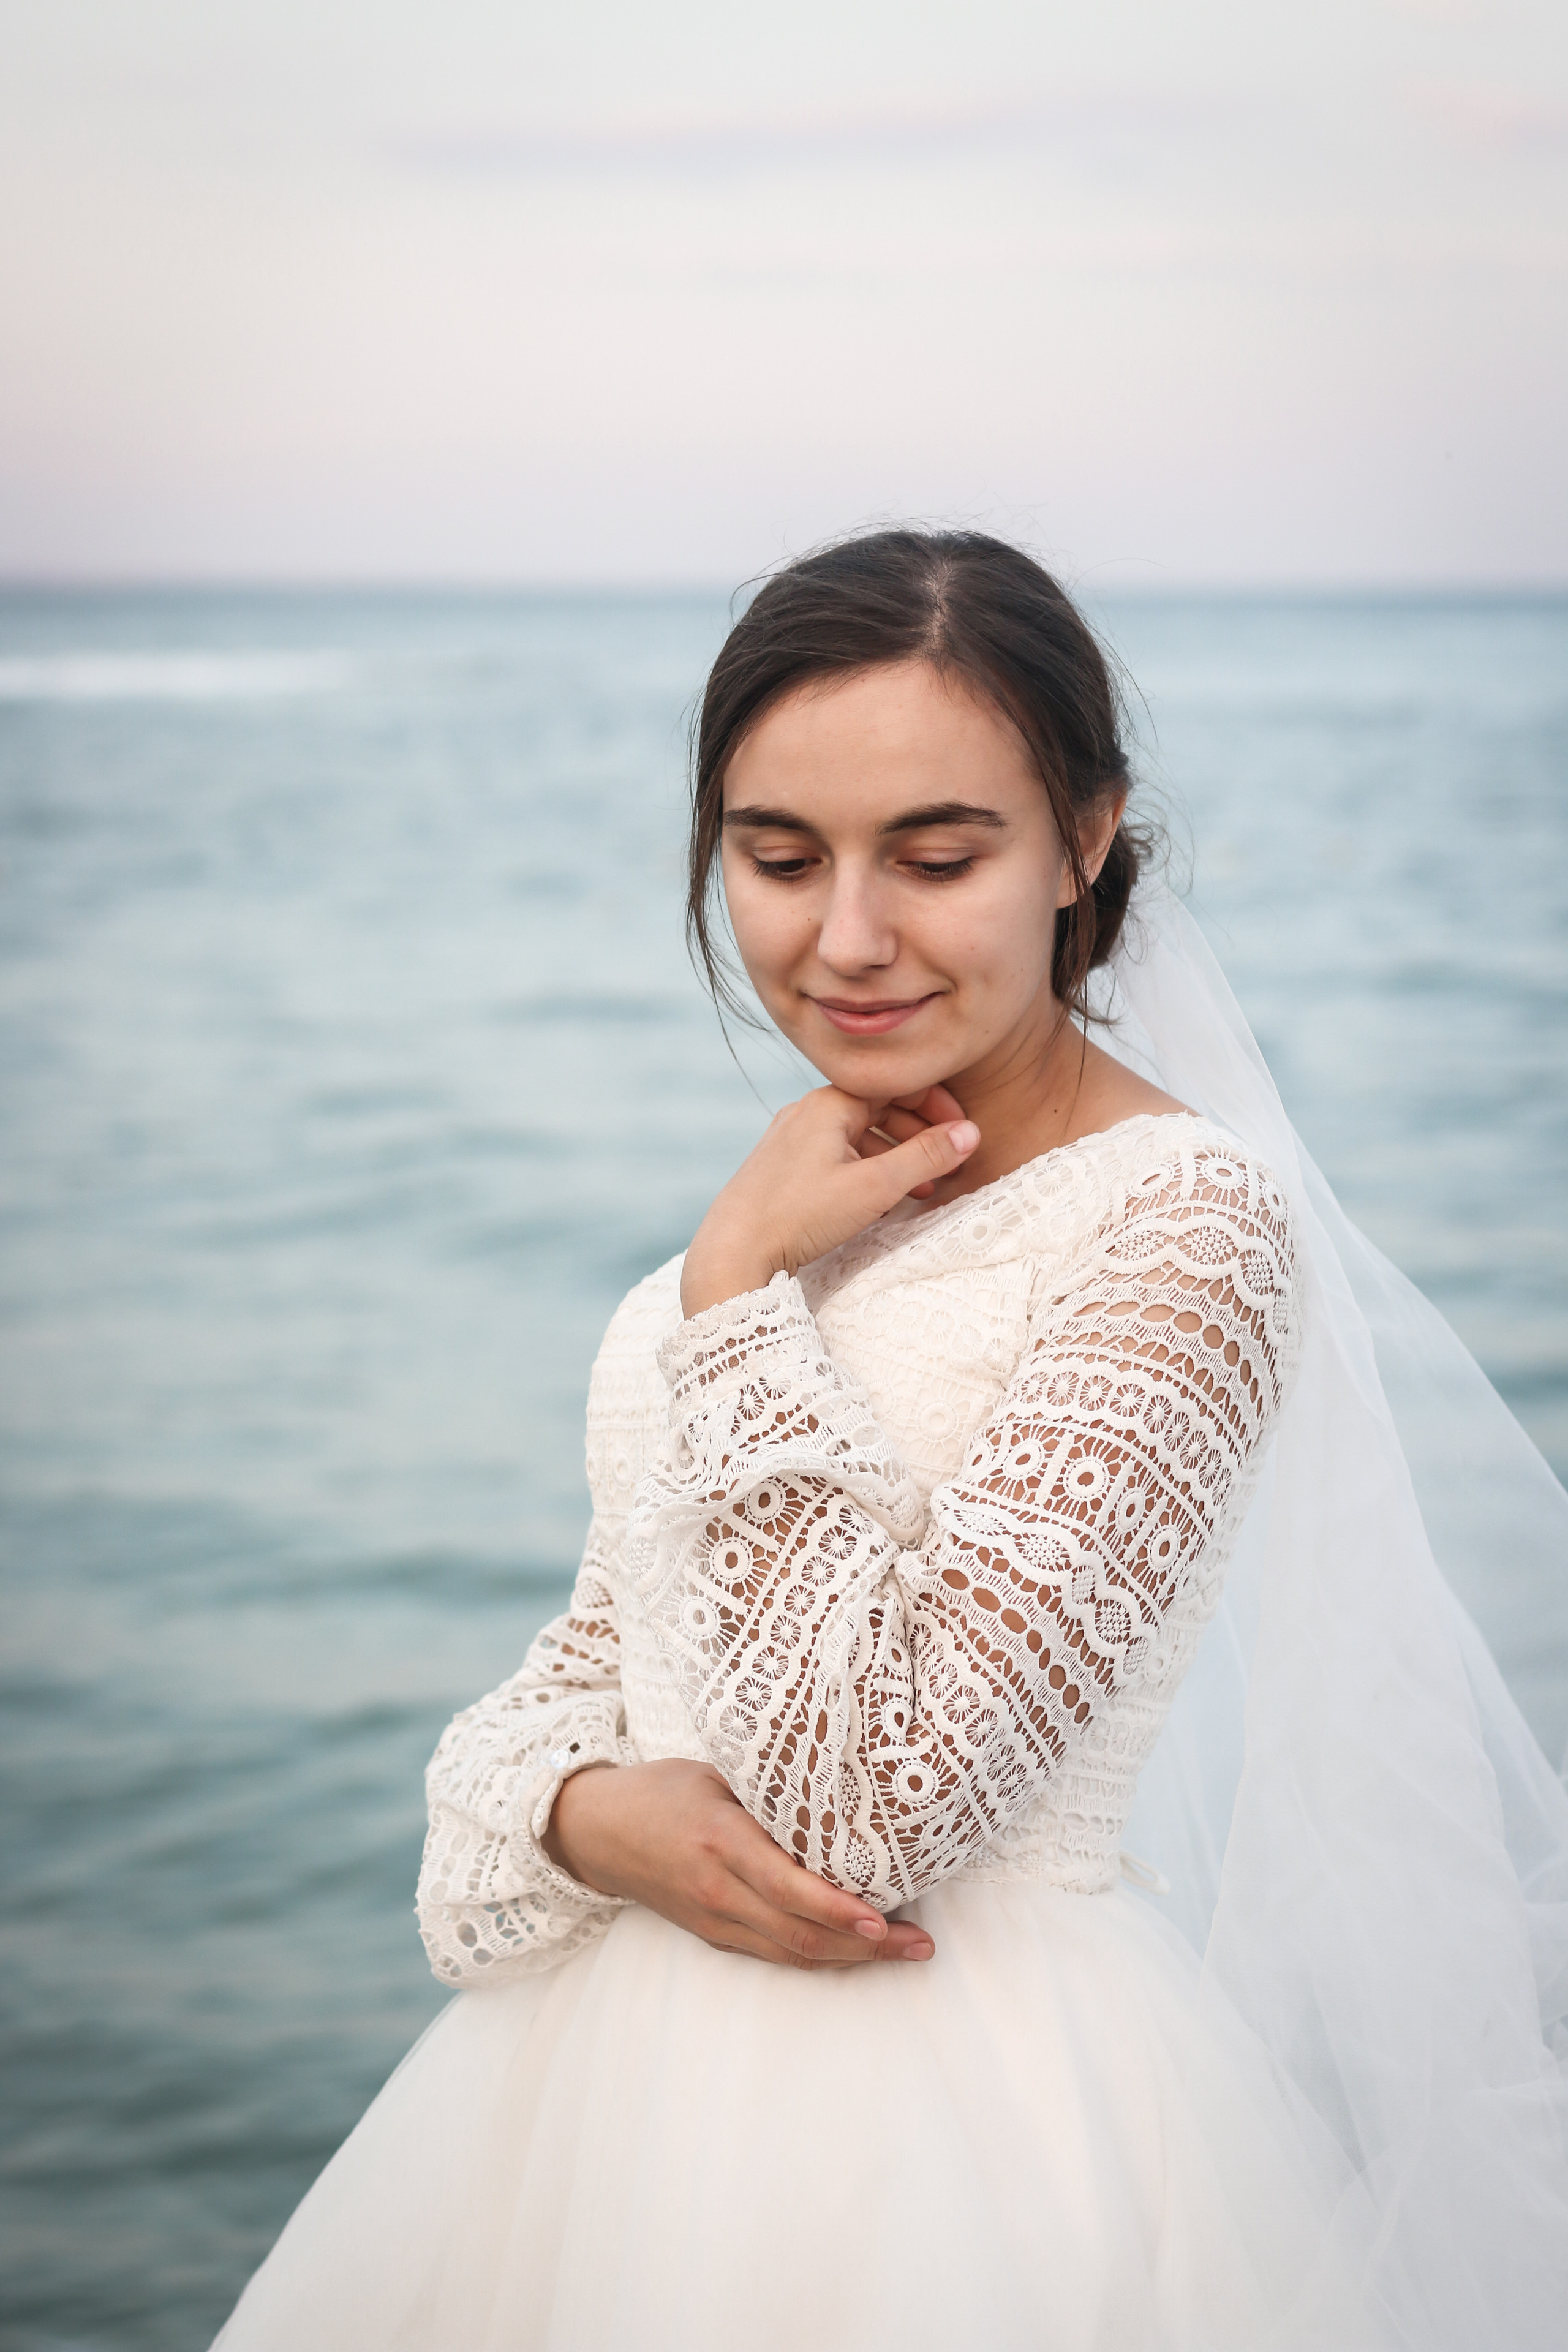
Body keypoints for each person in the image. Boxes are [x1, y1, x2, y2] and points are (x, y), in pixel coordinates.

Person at [214, 531, 1568, 2351]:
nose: (845, 939)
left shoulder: (1182, 1231)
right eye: (778, 859)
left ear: (1086, 837)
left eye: (938, 857)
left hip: (955, 2152)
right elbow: (537, 1743)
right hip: (586, 2130)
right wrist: (582, 1811)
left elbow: (877, 1808)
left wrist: (731, 1296)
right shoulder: (790, 1214)